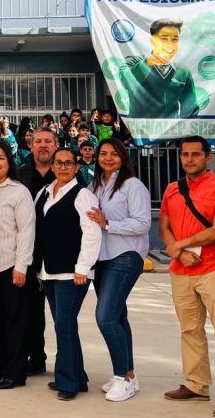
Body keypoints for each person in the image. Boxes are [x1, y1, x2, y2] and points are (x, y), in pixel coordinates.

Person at [158, 136, 215, 418]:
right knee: (190, 330)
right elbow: (164, 226)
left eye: (196, 154)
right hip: (181, 270)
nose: (189, 159)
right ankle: (196, 384)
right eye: (185, 155)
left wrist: (181, 245)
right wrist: (179, 252)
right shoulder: (173, 189)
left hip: (213, 267)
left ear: (208, 157)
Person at [85, 139, 151, 402]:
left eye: (114, 154)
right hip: (102, 258)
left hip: (125, 256)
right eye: (103, 154)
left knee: (106, 317)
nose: (108, 158)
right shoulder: (96, 184)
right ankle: (129, 375)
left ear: (123, 157)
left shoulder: (131, 185)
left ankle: (122, 375)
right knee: (119, 317)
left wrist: (108, 223)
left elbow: (143, 223)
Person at [35, 147, 101, 401]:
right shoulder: (44, 192)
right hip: (48, 271)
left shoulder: (83, 195)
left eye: (68, 163)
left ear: (76, 167)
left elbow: (93, 234)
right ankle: (78, 376)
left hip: (72, 274)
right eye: (58, 163)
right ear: (52, 166)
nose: (63, 167)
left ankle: (68, 382)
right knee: (65, 325)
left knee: (64, 325)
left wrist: (83, 268)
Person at [0, 140, 36, 391]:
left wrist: (21, 266)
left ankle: (15, 372)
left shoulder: (18, 191)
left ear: (8, 161)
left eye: (0, 158)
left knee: (15, 322)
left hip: (11, 267)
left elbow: (26, 231)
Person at [15, 126, 61, 375]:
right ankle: (35, 357)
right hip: (28, 253)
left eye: (48, 141)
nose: (43, 145)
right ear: (31, 145)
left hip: (59, 254)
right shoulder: (20, 174)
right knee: (30, 310)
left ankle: (66, 360)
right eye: (38, 141)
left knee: (61, 314)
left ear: (56, 144)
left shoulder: (66, 172)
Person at [119, 18, 200, 119]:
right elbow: (124, 80)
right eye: (164, 39)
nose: (170, 44)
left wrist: (188, 131)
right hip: (140, 130)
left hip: (170, 132)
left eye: (175, 39)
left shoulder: (183, 72)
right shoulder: (133, 62)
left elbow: (190, 108)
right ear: (152, 40)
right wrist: (147, 63)